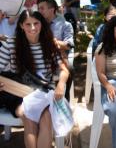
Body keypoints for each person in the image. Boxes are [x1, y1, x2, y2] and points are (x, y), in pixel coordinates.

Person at [0, 10, 69, 148]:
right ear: (21, 26)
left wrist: (61, 83)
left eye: (36, 23)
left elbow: (64, 69)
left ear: (41, 24)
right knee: (29, 117)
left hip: (44, 92)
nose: (32, 28)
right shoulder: (11, 44)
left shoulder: (49, 44)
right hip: (18, 93)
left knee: (46, 118)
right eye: (28, 24)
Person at [94, 16, 116, 148]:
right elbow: (100, 73)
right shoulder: (103, 48)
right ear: (112, 30)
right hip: (112, 82)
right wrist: (108, 85)